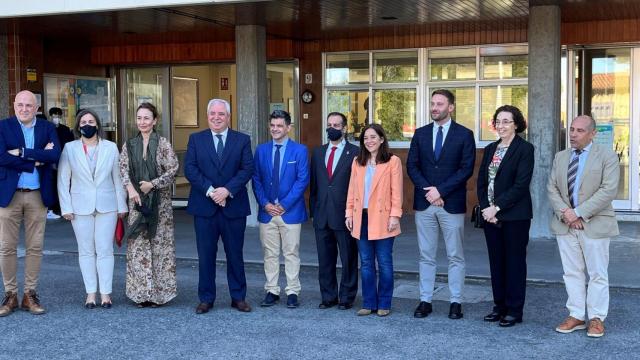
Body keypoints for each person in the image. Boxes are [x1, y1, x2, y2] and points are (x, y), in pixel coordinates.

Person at [547, 115, 619, 338]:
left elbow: (608, 190)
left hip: (595, 224)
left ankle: (596, 318)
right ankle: (577, 315)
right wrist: (567, 214)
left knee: (597, 273)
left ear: (592, 133)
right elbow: (552, 188)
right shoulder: (561, 157)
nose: (573, 134)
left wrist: (578, 213)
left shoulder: (607, 156)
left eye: (579, 131)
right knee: (571, 272)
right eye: (571, 130)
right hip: (565, 224)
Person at [406, 89, 475, 320]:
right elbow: (412, 166)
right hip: (425, 204)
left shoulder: (465, 134)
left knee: (455, 256)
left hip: (451, 203)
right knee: (426, 255)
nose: (434, 107)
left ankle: (456, 301)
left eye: (440, 104)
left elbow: (466, 169)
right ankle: (425, 299)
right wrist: (430, 192)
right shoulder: (420, 133)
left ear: (451, 107)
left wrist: (441, 191)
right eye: (433, 103)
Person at [184, 98, 253, 314]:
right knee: (205, 255)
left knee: (235, 255)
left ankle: (238, 297)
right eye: (212, 113)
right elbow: (191, 169)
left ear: (228, 116)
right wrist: (212, 191)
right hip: (205, 207)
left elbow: (246, 169)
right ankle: (206, 298)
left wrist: (227, 190)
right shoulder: (196, 139)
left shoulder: (242, 140)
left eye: (221, 114)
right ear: (207, 116)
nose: (216, 117)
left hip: (233, 207)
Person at [57, 108, 128, 308]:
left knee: (105, 250)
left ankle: (105, 294)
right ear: (78, 126)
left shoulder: (111, 147)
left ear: (97, 124)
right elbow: (63, 180)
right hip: (79, 206)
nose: (87, 125)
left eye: (91, 121)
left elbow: (118, 179)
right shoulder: (70, 148)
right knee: (86, 251)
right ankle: (90, 293)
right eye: (83, 122)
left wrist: (122, 205)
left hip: (108, 206)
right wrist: (65, 207)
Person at [0, 90, 61, 317]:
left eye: (29, 105)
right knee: (6, 247)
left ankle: (29, 294)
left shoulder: (47, 128)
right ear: (14, 105)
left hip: (37, 195)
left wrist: (22, 152)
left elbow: (55, 155)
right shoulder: (3, 126)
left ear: (37, 108)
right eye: (20, 105)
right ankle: (10, 294)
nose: (24, 109)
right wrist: (33, 161)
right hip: (9, 194)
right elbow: (1, 157)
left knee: (35, 246)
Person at [476, 105, 534, 327]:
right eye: (498, 121)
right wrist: (485, 207)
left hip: (515, 217)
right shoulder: (491, 148)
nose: (501, 126)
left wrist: (496, 207)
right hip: (490, 216)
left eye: (506, 121)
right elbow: (481, 182)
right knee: (496, 262)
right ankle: (499, 306)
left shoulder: (525, 149)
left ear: (516, 124)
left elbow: (521, 185)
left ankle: (514, 310)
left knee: (514, 263)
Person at [119, 102, 179, 307]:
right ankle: (140, 294)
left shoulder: (163, 143)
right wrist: (133, 190)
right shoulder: (129, 144)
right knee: (138, 247)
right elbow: (123, 170)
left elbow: (173, 171)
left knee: (159, 248)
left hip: (159, 204)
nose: (142, 122)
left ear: (154, 121)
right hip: (136, 202)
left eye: (146, 118)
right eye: (139, 118)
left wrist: (152, 184)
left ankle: (158, 296)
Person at [252, 110, 309, 309]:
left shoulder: (299, 150)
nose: (275, 129)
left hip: (289, 212)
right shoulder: (261, 150)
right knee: (270, 253)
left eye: (279, 126)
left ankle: (292, 291)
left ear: (288, 128)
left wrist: (284, 205)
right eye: (272, 125)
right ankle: (272, 290)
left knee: (291, 253)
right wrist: (265, 204)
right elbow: (256, 179)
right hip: (267, 212)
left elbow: (302, 180)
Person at [345, 123, 403, 317]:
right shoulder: (357, 161)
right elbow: (352, 191)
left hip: (384, 217)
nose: (369, 141)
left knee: (385, 262)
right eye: (366, 138)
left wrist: (395, 215)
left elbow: (397, 191)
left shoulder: (392, 161)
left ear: (381, 139)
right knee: (367, 262)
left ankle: (384, 303)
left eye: (373, 137)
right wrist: (348, 213)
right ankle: (369, 303)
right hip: (361, 216)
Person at [309, 112, 359, 310]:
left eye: (336, 125)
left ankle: (346, 297)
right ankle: (328, 297)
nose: (332, 128)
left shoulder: (355, 153)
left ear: (344, 128)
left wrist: (353, 213)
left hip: (344, 216)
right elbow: (315, 186)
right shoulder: (318, 152)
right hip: (322, 216)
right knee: (325, 259)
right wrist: (314, 212)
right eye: (329, 124)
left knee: (348, 258)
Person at [47, 107, 75, 220]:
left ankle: (62, 207)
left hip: (64, 159)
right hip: (52, 161)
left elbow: (70, 143)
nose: (56, 118)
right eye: (54, 116)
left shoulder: (65, 129)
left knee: (65, 183)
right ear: (50, 116)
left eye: (58, 116)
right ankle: (52, 207)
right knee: (52, 185)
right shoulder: (47, 128)